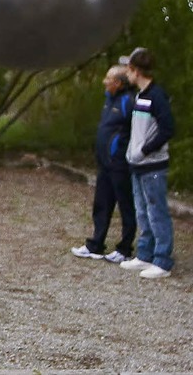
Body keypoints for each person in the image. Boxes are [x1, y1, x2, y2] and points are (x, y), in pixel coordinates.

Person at [118, 47, 175, 279]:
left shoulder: (157, 95)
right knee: (142, 211)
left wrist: (145, 150)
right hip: (137, 165)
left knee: (156, 211)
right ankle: (145, 253)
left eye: (128, 69)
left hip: (152, 166)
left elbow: (167, 128)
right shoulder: (140, 96)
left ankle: (162, 260)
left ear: (135, 70)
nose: (125, 74)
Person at [71, 64, 136, 263]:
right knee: (101, 205)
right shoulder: (110, 100)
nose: (104, 82)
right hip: (104, 163)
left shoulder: (129, 101)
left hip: (120, 163)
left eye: (108, 78)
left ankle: (125, 249)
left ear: (118, 82)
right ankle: (96, 245)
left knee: (126, 206)